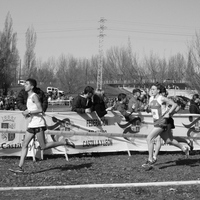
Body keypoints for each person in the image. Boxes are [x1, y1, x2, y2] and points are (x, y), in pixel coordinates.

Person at [9, 78, 75, 173]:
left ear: (32, 86)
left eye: (27, 84)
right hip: (32, 124)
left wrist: (29, 111)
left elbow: (41, 110)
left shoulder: (34, 96)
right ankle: (20, 167)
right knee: (24, 144)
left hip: (39, 124)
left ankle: (64, 142)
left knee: (43, 146)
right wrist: (27, 113)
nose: (25, 85)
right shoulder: (28, 96)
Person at [142, 82, 190, 169]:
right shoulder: (151, 99)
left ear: (158, 91)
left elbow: (174, 104)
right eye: (151, 89)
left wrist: (169, 113)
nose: (151, 91)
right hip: (156, 121)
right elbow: (150, 110)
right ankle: (183, 147)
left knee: (149, 138)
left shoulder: (161, 98)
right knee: (168, 140)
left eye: (153, 89)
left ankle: (150, 159)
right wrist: (146, 109)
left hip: (162, 121)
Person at [153, 85, 193, 161]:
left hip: (166, 121)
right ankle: (186, 142)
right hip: (161, 121)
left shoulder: (166, 99)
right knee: (168, 139)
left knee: (166, 139)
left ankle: (154, 157)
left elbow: (177, 107)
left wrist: (170, 113)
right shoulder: (159, 99)